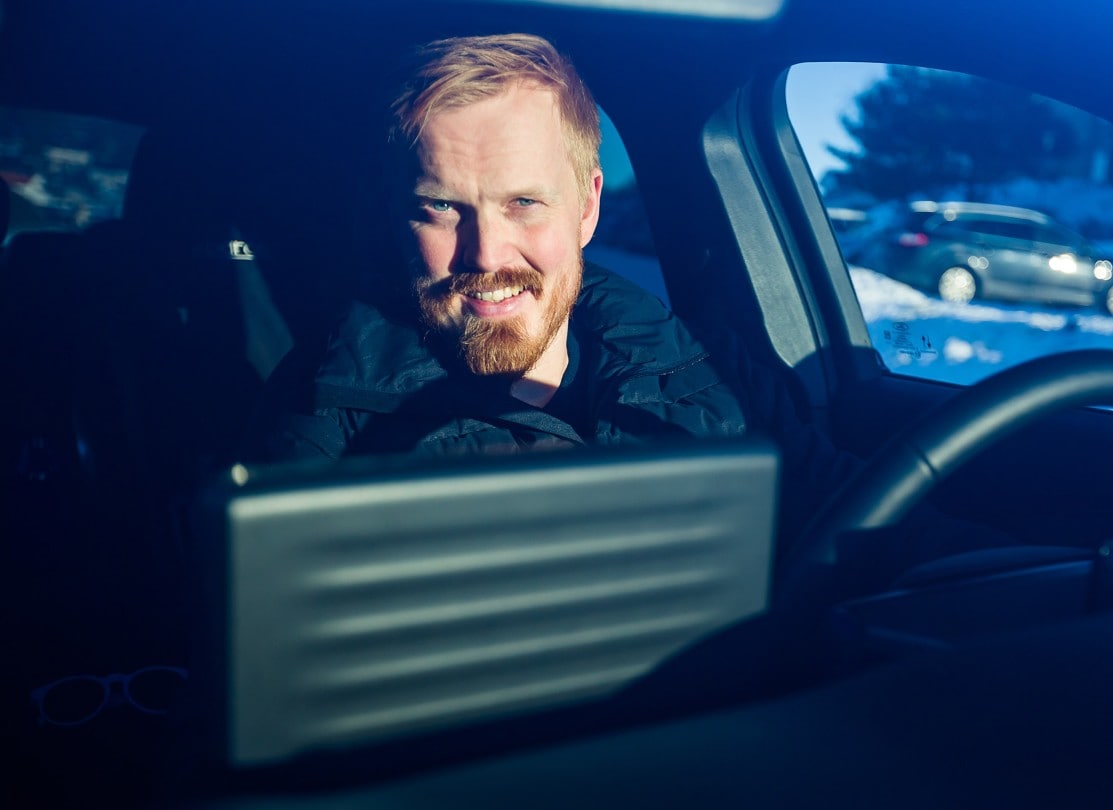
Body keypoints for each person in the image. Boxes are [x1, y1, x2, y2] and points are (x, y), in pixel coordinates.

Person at [250, 33, 859, 545]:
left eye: (523, 202)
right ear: (398, 219)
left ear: (587, 208)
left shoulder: (708, 368)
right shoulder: (323, 416)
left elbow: (859, 522)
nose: (485, 253)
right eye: (441, 206)